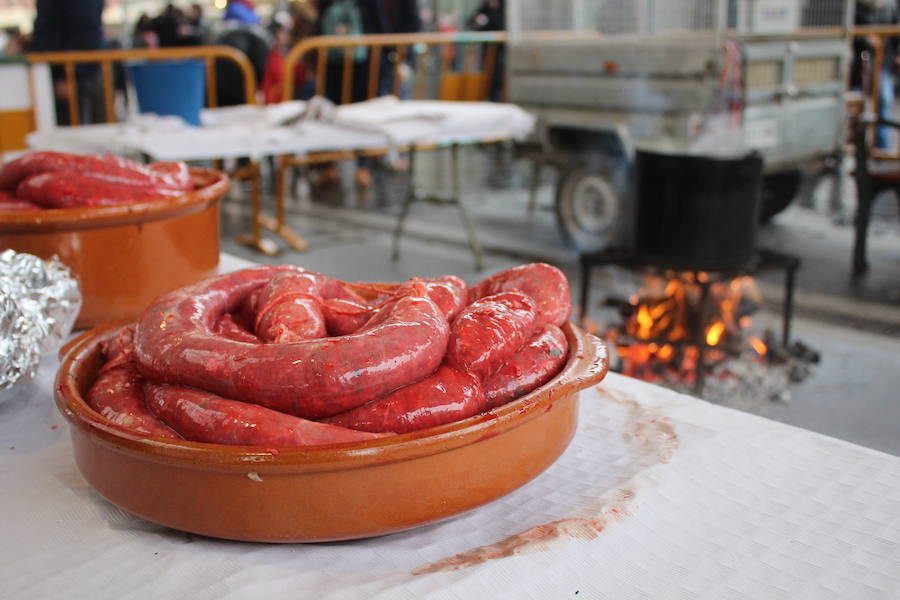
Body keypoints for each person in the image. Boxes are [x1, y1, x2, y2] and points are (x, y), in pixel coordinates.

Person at [31, 0, 104, 125]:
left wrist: (67, 76)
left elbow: (86, 34)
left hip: (73, 76)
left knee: (74, 133)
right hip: (62, 73)